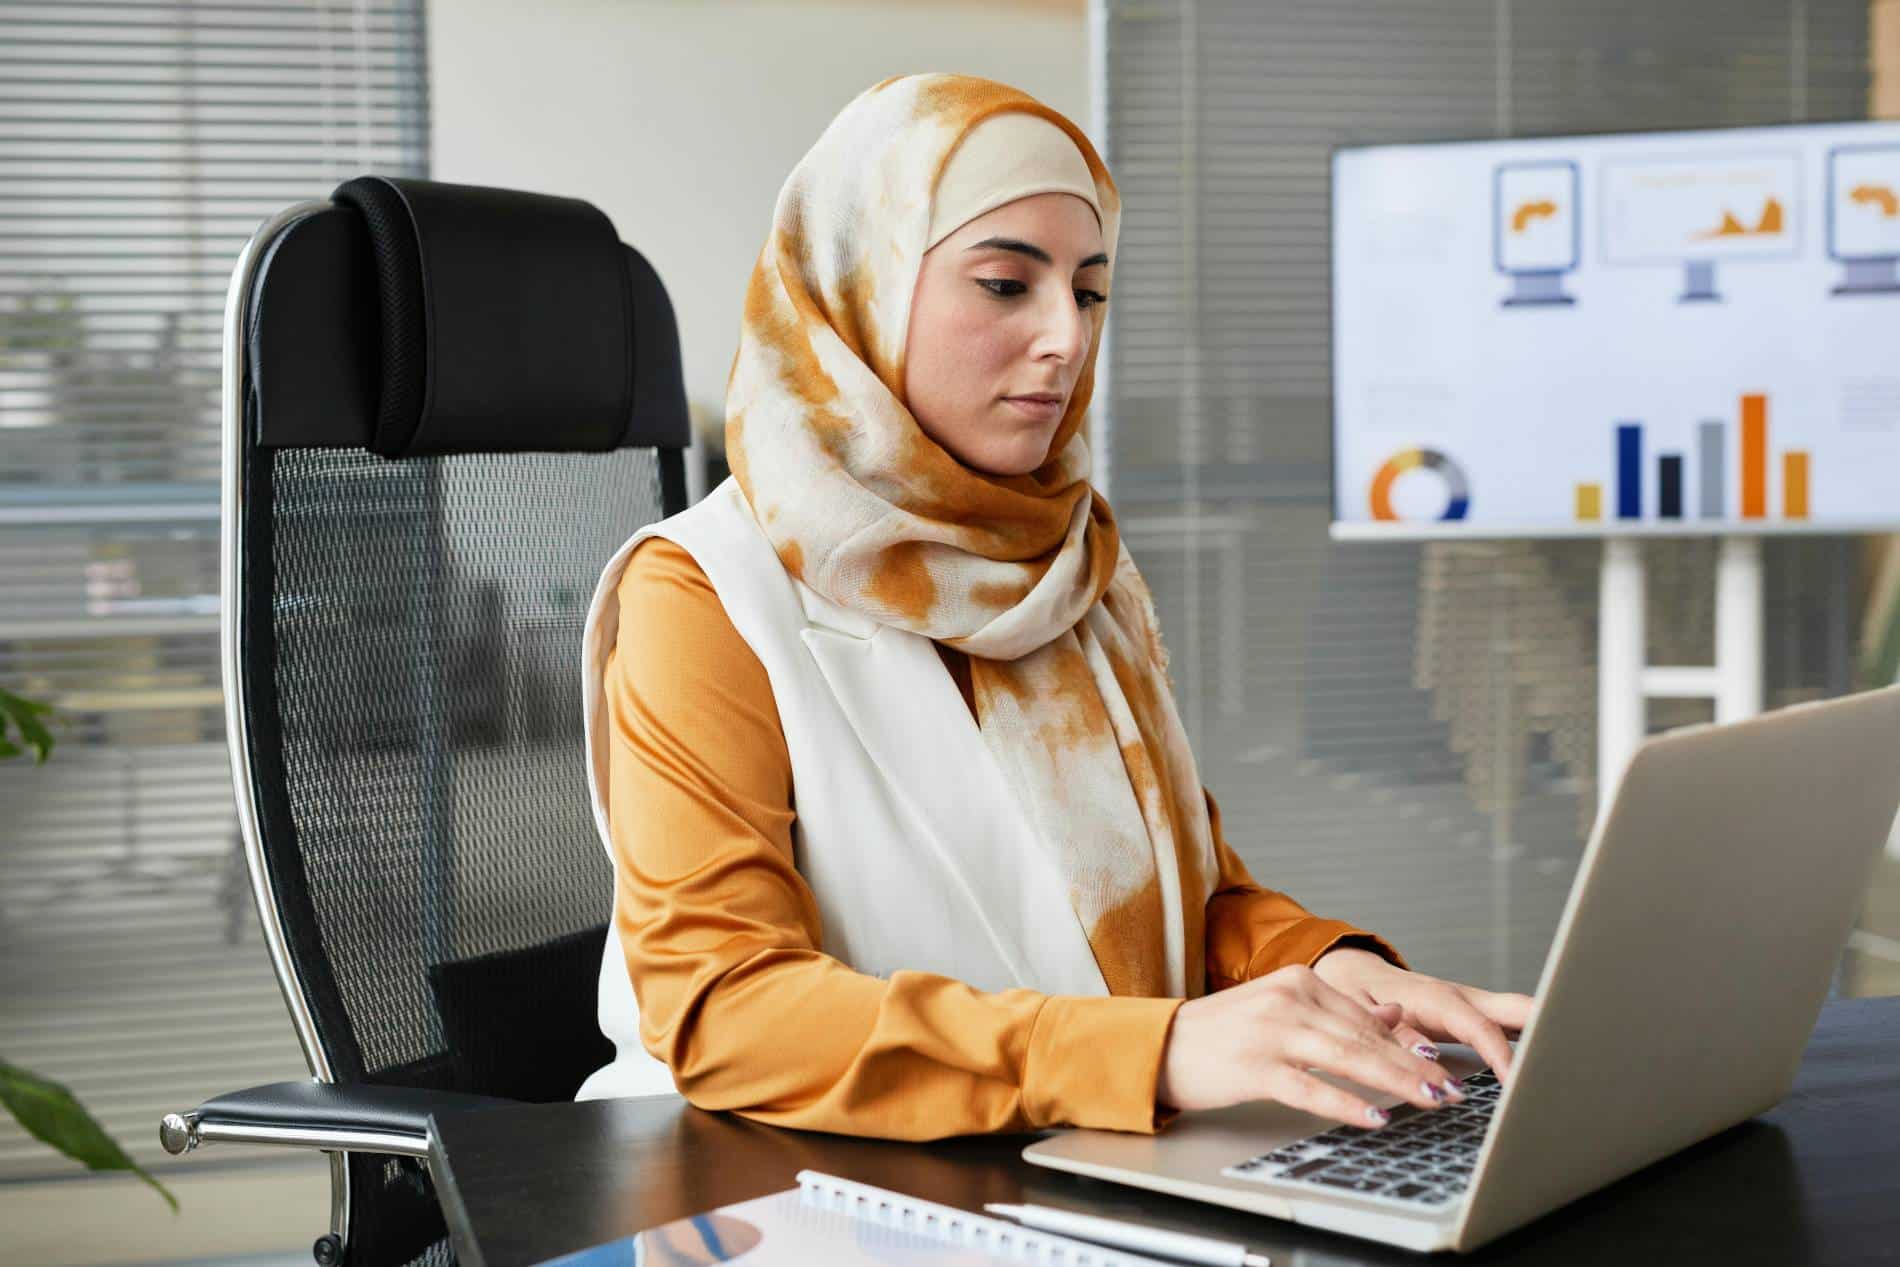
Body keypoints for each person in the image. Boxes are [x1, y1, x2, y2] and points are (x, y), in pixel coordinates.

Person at [574, 72, 1533, 1138]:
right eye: (1003, 284)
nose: (1065, 340)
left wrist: (1326, 971)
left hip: (1067, 1158)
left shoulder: (1073, 565)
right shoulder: (704, 592)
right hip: (780, 1184)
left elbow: (1190, 904)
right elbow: (725, 1010)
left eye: (1086, 291)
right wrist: (1155, 1050)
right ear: (861, 290)